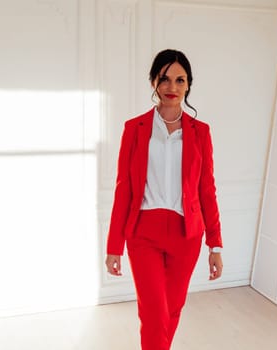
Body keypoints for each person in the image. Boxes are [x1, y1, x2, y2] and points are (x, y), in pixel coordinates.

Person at [105, 49, 223, 350]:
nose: (172, 87)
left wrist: (215, 245)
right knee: (155, 314)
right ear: (154, 83)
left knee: (172, 310)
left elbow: (207, 191)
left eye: (180, 80)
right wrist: (114, 246)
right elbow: (124, 190)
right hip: (144, 233)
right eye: (165, 79)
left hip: (187, 236)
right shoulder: (135, 129)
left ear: (188, 85)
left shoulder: (201, 133)